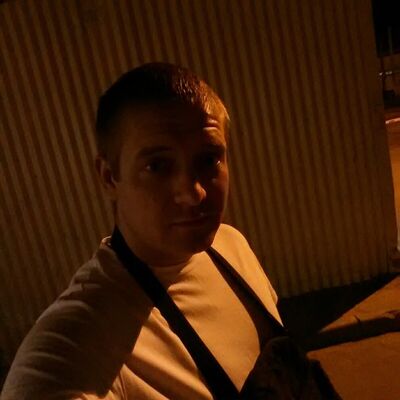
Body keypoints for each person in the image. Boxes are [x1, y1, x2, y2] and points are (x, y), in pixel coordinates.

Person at [1, 63, 282, 399]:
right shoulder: (87, 338)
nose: (194, 193)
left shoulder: (231, 244)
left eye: (208, 159)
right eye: (157, 166)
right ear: (109, 177)